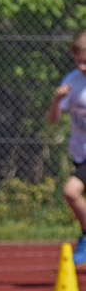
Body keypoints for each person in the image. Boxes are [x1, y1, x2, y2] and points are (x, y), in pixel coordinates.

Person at [48, 28, 86, 266]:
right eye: (78, 61)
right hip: (80, 153)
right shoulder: (71, 81)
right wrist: (55, 100)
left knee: (71, 191)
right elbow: (53, 119)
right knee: (72, 194)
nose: (82, 66)